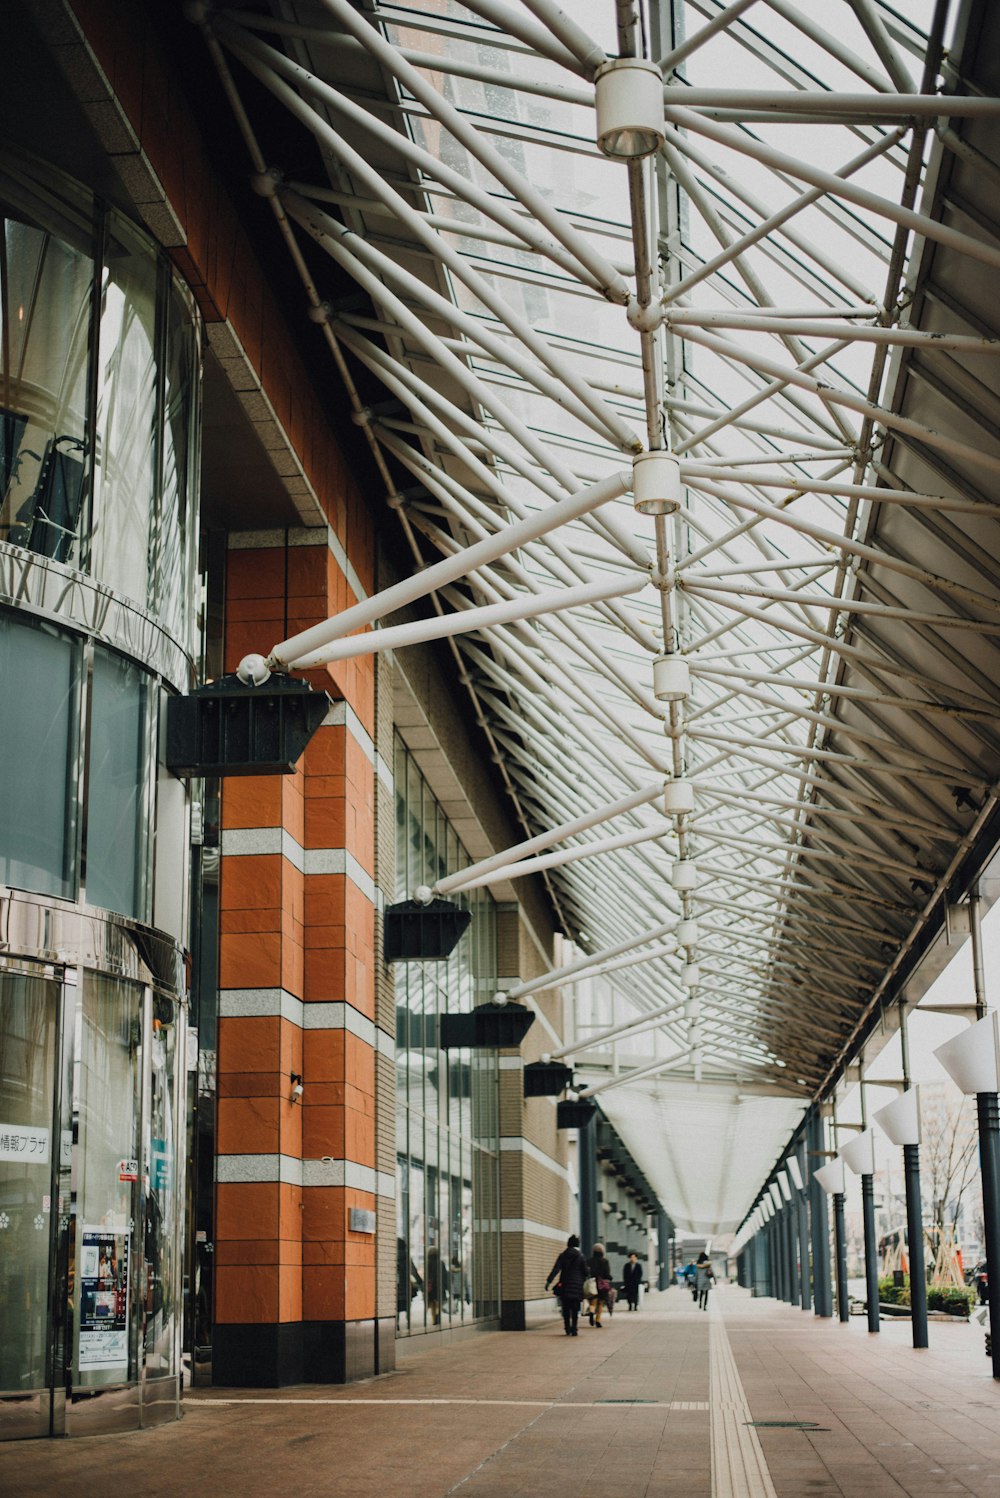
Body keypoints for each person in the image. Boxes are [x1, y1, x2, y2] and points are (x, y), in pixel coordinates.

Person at [546, 1233, 587, 1336]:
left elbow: (556, 1269)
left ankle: (567, 1328)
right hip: (577, 1286)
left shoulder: (562, 1255)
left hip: (565, 1285)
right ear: (577, 1244)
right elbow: (586, 1271)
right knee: (574, 1309)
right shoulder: (581, 1256)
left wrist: (548, 1281)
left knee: (566, 1308)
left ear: (568, 1244)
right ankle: (574, 1329)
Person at [587, 1241, 613, 1327]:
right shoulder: (605, 1261)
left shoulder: (589, 1261)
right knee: (600, 1302)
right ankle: (598, 1320)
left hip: (592, 1283)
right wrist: (610, 1277)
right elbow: (607, 1273)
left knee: (593, 1301)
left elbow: (586, 1272)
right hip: (602, 1284)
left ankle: (591, 1313)